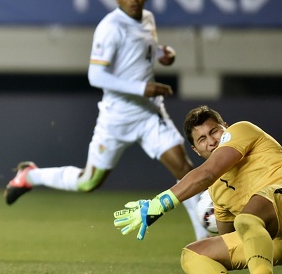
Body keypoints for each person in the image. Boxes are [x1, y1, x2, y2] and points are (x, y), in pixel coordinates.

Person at [3, 0, 209, 241]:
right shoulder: (110, 27)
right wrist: (141, 87)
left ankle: (204, 241)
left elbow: (140, 49)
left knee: (184, 170)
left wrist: (162, 53)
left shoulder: (147, 18)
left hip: (149, 114)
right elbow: (96, 75)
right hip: (117, 117)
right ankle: (30, 176)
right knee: (89, 182)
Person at [114, 105, 282, 273]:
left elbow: (207, 173)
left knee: (246, 219)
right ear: (195, 150)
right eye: (202, 139)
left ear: (227, 128)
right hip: (274, 239)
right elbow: (230, 239)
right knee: (196, 254)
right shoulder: (216, 190)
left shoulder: (241, 129)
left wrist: (157, 205)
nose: (211, 141)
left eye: (214, 131)